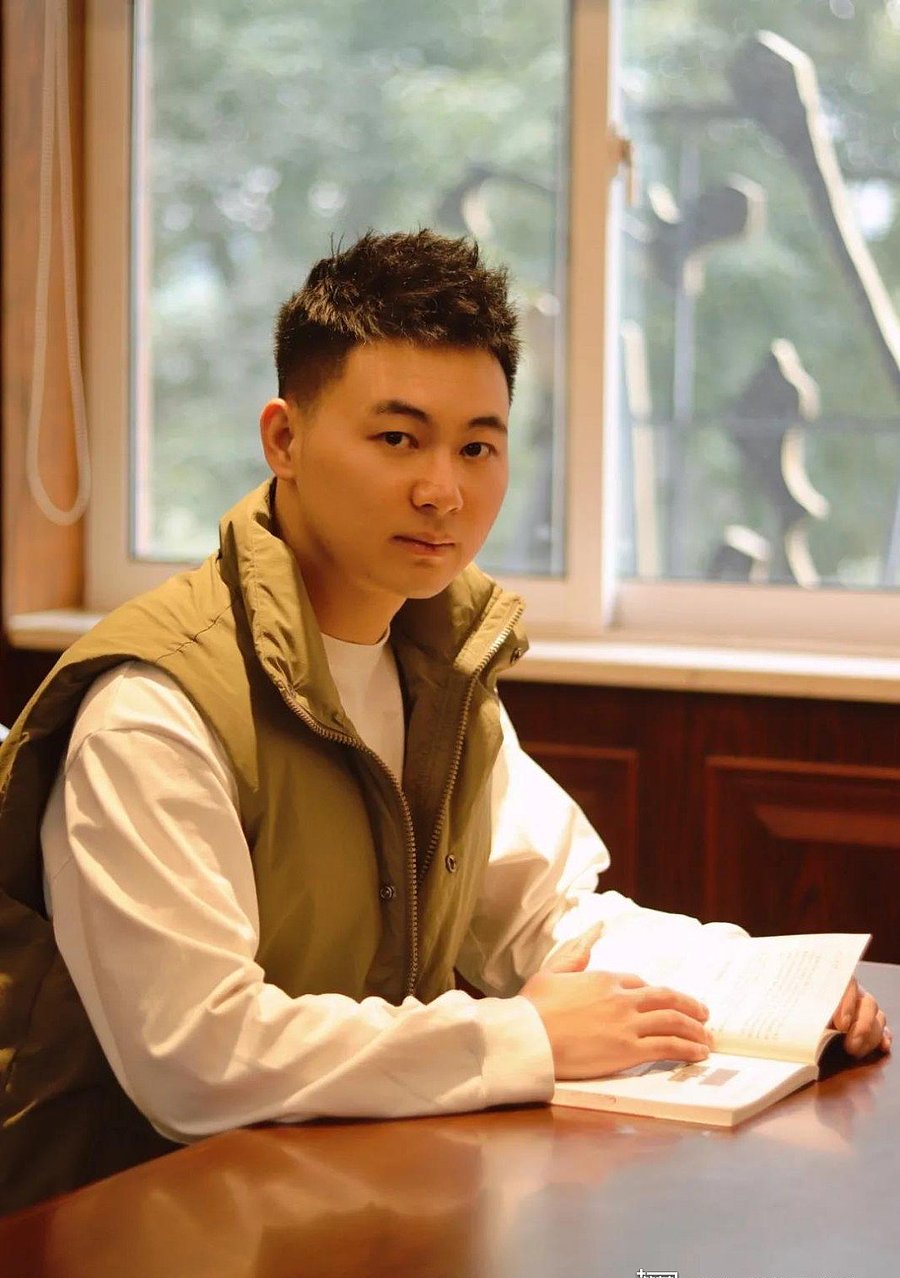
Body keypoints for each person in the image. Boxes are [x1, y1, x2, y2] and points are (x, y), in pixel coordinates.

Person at [0, 230, 888, 1215]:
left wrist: (761, 989)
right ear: (283, 440)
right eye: (398, 439)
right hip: (132, 1233)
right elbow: (197, 1059)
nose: (443, 491)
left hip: (356, 1198)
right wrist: (525, 1038)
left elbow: (547, 919)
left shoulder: (439, 662)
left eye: (477, 446)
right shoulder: (154, 710)